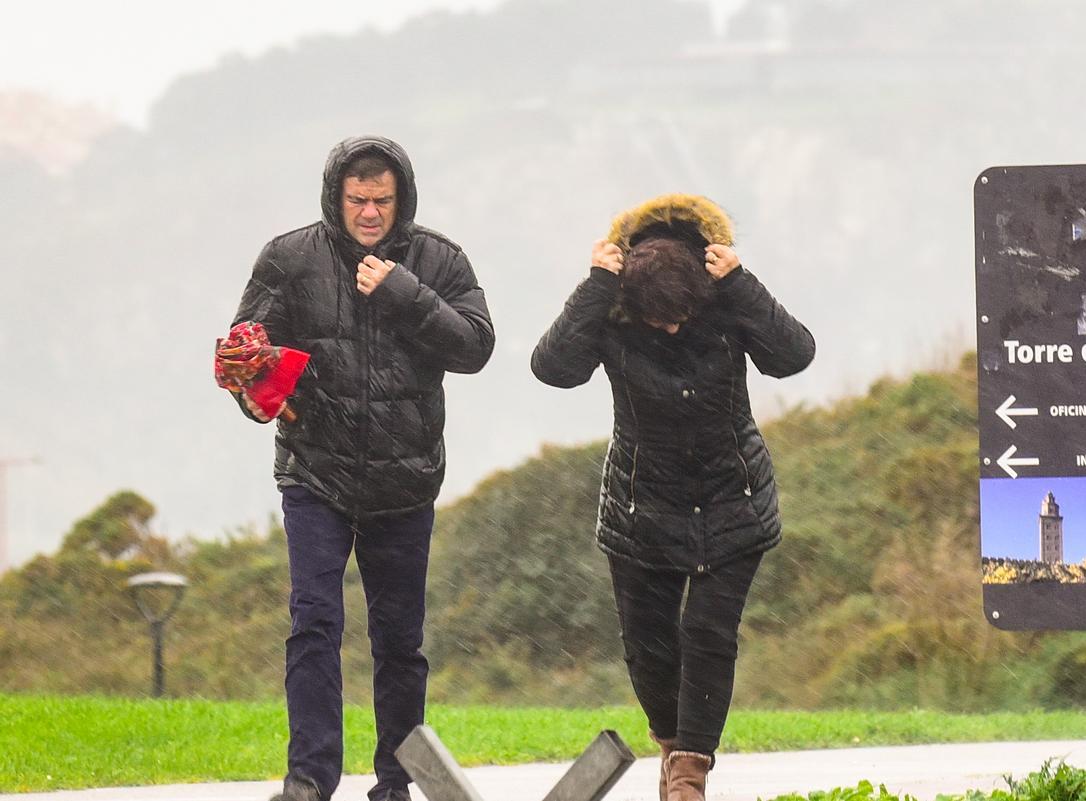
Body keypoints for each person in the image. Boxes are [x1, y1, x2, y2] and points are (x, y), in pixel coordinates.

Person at [226, 135, 494, 801]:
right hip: (314, 476)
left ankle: (395, 784)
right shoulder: (287, 259)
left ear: (399, 198)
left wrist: (404, 291)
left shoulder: (439, 259)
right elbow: (246, 356)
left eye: (381, 200)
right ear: (335, 197)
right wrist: (256, 394)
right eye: (356, 200)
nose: (369, 212)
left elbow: (477, 346)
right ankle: (309, 780)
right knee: (314, 620)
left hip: (405, 483)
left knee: (400, 642)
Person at [530, 194, 814, 801]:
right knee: (648, 642)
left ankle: (688, 772)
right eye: (658, 322)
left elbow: (794, 356)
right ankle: (671, 745)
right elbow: (552, 368)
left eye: (681, 318)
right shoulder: (610, 307)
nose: (671, 329)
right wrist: (594, 287)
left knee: (709, 633)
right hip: (640, 505)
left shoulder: (724, 295)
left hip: (733, 500)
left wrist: (740, 282)